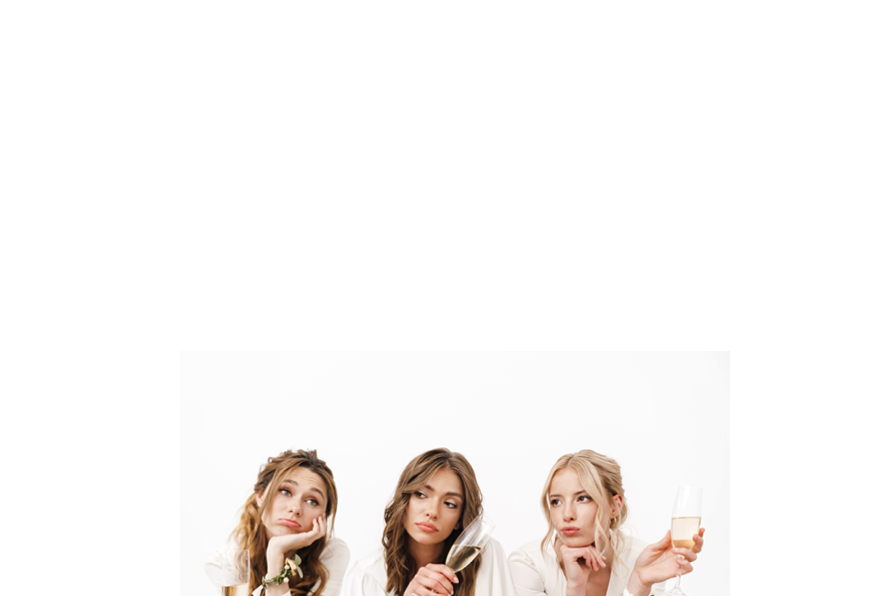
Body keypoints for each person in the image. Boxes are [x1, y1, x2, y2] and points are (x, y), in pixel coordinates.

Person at [508, 450, 705, 596]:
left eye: (583, 498)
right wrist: (576, 588)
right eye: (556, 502)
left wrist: (638, 585)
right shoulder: (527, 564)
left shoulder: (642, 560)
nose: (567, 514)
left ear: (614, 506)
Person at [342, 448, 516, 596]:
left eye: (450, 504)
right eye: (421, 494)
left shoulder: (486, 555)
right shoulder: (365, 578)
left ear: (459, 520)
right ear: (405, 502)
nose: (432, 512)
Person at [205, 449, 351, 596]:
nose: (295, 508)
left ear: (323, 516)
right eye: (285, 491)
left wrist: (276, 553)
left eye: (312, 501)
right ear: (260, 496)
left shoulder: (331, 553)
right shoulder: (224, 563)